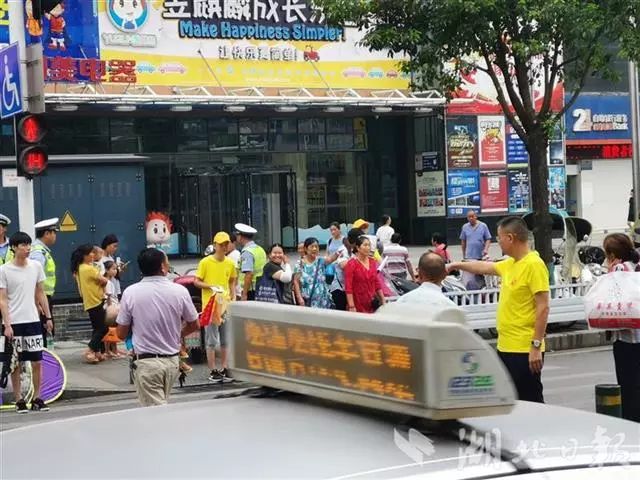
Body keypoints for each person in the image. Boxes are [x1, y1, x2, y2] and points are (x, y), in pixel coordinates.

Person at [448, 216, 550, 403]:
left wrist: (536, 346)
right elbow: (483, 267)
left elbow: (543, 307)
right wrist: (455, 265)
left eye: (499, 237)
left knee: (530, 401)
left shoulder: (534, 264)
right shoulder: (511, 263)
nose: (498, 241)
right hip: (506, 345)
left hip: (523, 348)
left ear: (510, 238)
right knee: (511, 400)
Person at [116, 248, 199, 407]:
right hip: (172, 362)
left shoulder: (131, 293)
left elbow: (121, 333)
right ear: (162, 267)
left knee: (157, 413)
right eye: (167, 262)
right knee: (159, 408)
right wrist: (177, 335)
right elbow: (194, 324)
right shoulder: (179, 291)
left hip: (147, 364)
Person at [0, 232, 53, 413]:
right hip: (14, 322)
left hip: (33, 320)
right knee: (15, 363)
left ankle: (37, 398)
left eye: (28, 244)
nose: (27, 248)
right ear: (14, 248)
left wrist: (48, 317)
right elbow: (3, 300)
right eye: (23, 245)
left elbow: (40, 293)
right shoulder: (4, 270)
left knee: (37, 361)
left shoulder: (36, 266)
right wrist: (7, 324)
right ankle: (19, 399)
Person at [603, 233, 640, 422]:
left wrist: (610, 272)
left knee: (628, 386)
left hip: (626, 339)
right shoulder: (637, 266)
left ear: (611, 254)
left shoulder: (619, 269)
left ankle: (631, 423)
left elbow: (607, 295)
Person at [194, 232, 237, 383]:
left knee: (225, 339)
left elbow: (232, 280)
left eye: (226, 244)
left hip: (225, 304)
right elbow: (196, 281)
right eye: (221, 244)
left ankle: (225, 367)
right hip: (211, 306)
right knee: (211, 340)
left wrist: (233, 296)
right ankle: (213, 370)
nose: (224, 247)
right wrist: (210, 286)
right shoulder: (205, 262)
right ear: (215, 245)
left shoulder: (230, 263)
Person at [72, 244, 108, 364]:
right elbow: (104, 280)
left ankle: (97, 352)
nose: (93, 255)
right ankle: (89, 350)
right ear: (85, 256)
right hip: (95, 300)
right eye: (91, 253)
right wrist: (103, 283)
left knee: (97, 327)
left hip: (89, 301)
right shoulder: (89, 269)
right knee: (103, 328)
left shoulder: (80, 268)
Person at [29, 218, 58, 348]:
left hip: (44, 297)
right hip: (41, 297)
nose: (55, 236)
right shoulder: (38, 253)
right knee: (44, 330)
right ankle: (42, 357)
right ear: (47, 234)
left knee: (45, 330)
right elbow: (34, 279)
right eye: (54, 233)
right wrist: (37, 302)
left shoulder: (42, 250)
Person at [344, 236, 386, 313]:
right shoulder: (351, 264)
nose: (368, 248)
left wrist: (383, 299)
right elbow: (348, 287)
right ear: (358, 247)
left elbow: (376, 282)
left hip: (372, 303)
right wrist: (351, 306)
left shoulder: (372, 262)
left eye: (369, 245)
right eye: (365, 245)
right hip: (357, 303)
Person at [293, 237, 334, 309]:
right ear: (306, 249)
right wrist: (299, 298)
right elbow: (296, 282)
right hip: (308, 301)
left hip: (323, 301)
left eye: (316, 247)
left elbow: (331, 259)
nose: (314, 249)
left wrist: (339, 252)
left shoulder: (321, 261)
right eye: (312, 246)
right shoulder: (299, 264)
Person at [234, 223, 267, 301]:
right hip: (261, 287)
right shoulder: (260, 249)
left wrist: (244, 294)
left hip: (250, 290)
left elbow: (249, 274)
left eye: (237, 235)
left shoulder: (247, 252)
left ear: (240, 237)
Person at [101, 260, 126, 359]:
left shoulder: (111, 281)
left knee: (111, 329)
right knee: (111, 329)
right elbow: (108, 297)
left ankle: (111, 350)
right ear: (107, 270)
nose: (115, 271)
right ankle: (109, 350)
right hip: (110, 307)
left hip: (111, 305)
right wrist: (111, 307)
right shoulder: (107, 282)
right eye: (113, 269)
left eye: (116, 269)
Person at [327, 237, 350, 311]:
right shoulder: (343, 249)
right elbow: (343, 265)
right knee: (340, 307)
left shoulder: (351, 249)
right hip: (337, 285)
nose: (333, 232)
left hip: (346, 285)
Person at [226, 232, 242, 300]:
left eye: (227, 243)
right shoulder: (229, 255)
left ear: (234, 243)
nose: (225, 246)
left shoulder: (235, 255)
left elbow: (235, 276)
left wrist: (232, 293)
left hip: (235, 293)